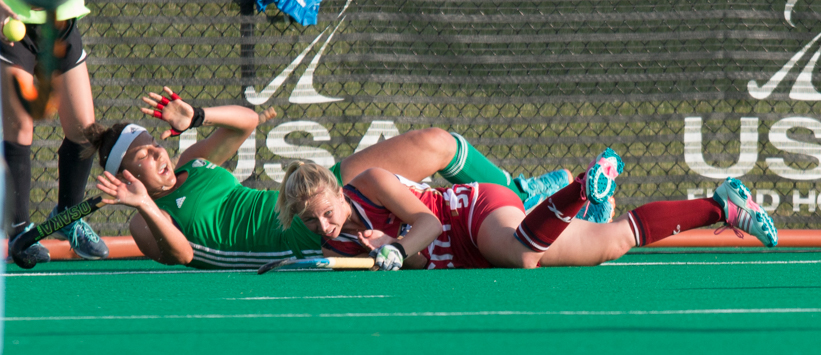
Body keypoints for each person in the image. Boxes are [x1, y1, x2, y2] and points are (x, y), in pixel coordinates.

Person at [88, 87, 574, 269]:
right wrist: (146, 206)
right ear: (126, 176)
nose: (158, 152)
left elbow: (247, 122)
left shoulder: (192, 162)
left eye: (154, 144)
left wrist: (196, 114)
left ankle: (525, 193)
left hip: (309, 197)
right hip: (312, 234)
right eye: (144, 157)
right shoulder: (141, 223)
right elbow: (184, 254)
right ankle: (542, 210)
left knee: (435, 143)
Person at [276, 147, 778, 271]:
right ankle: (720, 207)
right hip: (464, 255)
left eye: (326, 211)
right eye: (312, 222)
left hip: (468, 212)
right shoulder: (330, 239)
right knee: (615, 243)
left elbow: (427, 223)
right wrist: (390, 251)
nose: (324, 225)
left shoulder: (368, 182)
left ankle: (581, 189)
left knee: (522, 256)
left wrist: (396, 249)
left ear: (337, 191)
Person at [1, 0, 105, 262]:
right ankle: (18, 230)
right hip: (10, 22)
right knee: (21, 127)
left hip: (60, 23)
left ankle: (68, 217)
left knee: (84, 130)